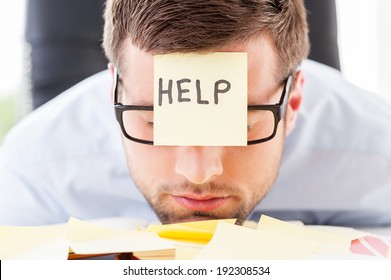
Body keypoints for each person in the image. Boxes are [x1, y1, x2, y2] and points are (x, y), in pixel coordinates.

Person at [1, 0, 391, 227]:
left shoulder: (376, 156)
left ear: (291, 102)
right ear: (113, 91)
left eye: (240, 123)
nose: (198, 172)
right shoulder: (37, 173)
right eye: (155, 122)